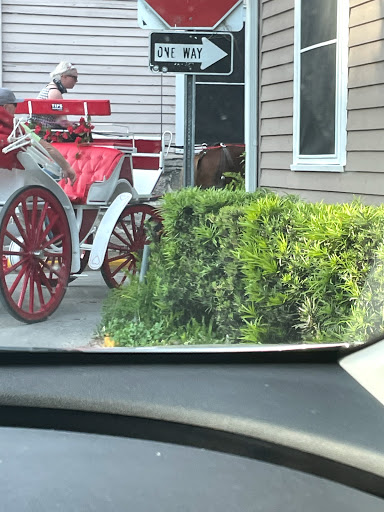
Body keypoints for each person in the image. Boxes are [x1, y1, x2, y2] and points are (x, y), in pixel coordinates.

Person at [0, 88, 76, 185]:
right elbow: (48, 148)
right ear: (6, 107)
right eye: (15, 105)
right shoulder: (17, 128)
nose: (16, 108)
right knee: (56, 169)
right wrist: (67, 167)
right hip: (19, 175)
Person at [32, 61, 79, 127]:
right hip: (46, 132)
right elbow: (62, 121)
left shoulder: (49, 88)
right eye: (74, 77)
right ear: (64, 76)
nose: (76, 81)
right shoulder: (54, 92)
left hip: (38, 131)